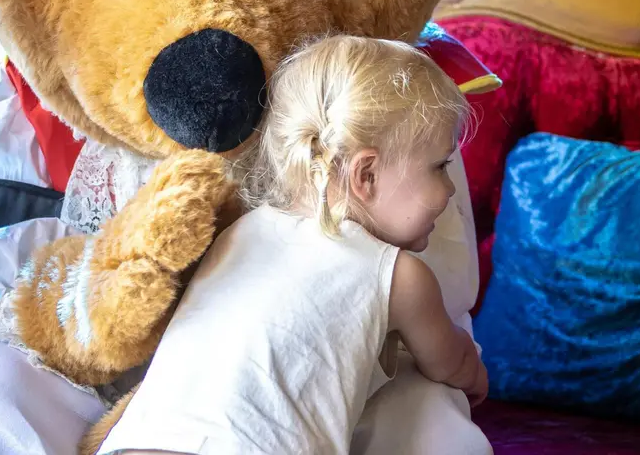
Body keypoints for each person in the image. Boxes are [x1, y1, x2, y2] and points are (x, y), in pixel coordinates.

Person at [93, 35, 489, 454]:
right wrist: (475, 371)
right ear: (366, 175)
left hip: (137, 442)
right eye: (440, 166)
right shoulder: (399, 275)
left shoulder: (239, 234)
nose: (449, 191)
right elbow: (452, 364)